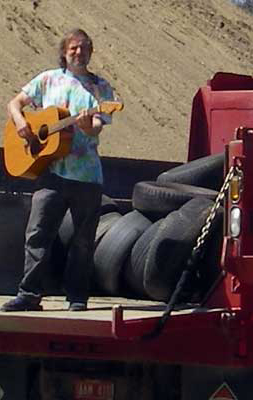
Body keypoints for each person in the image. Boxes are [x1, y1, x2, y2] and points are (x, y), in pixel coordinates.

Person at [1, 28, 115, 312]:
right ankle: (29, 295)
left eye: (84, 48)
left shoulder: (101, 89)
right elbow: (14, 103)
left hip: (87, 176)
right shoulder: (48, 79)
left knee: (83, 240)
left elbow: (97, 126)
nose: (79, 52)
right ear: (65, 52)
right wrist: (21, 123)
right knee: (37, 234)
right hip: (50, 172)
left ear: (90, 52)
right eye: (74, 47)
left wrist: (88, 124)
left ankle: (77, 297)